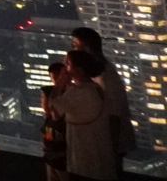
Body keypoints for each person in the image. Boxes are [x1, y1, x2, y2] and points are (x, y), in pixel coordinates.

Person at [72, 26, 136, 176]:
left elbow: (115, 112)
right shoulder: (95, 71)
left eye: (75, 45)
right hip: (101, 137)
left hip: (107, 139)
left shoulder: (105, 75)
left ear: (87, 48)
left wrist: (111, 145)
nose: (73, 50)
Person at [50, 51, 116, 181]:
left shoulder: (79, 92)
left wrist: (60, 83)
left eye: (68, 64)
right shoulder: (95, 88)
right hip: (100, 151)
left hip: (83, 157)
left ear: (79, 69)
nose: (64, 68)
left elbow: (54, 112)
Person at [42, 61, 70, 181]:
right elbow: (48, 124)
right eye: (53, 78)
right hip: (51, 150)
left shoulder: (71, 93)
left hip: (64, 150)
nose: (55, 81)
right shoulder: (50, 92)